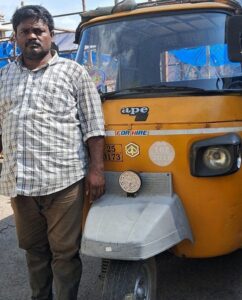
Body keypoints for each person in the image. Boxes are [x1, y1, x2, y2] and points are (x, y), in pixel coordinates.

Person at [0, 5, 105, 300]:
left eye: (38, 30)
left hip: (64, 183)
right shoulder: (4, 77)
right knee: (34, 251)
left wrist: (96, 171)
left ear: (50, 34)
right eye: (25, 31)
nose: (32, 36)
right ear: (15, 38)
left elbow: (94, 126)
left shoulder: (74, 72)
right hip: (20, 185)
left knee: (65, 254)